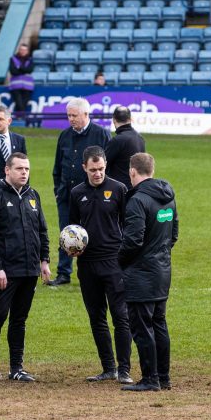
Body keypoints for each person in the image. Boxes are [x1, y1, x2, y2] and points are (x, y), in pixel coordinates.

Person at [0, 151, 52, 382]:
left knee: (19, 320)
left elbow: (42, 230)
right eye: (19, 169)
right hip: (5, 273)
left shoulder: (33, 195)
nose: (24, 173)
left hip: (29, 271)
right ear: (7, 170)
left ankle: (16, 368)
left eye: (27, 169)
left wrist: (44, 260)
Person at [68, 146, 134, 384]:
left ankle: (124, 369)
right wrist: (70, 248)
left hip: (113, 262)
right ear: (84, 167)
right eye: (93, 169)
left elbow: (128, 224)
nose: (98, 173)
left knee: (121, 316)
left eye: (101, 169)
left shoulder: (118, 189)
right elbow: (72, 227)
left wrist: (126, 255)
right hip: (87, 264)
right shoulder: (76, 192)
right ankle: (108, 368)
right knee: (96, 317)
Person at [119, 152, 177, 392]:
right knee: (159, 324)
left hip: (142, 274)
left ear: (132, 171)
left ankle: (150, 379)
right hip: (162, 271)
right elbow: (173, 235)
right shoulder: (168, 198)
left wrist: (120, 260)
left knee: (142, 328)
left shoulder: (137, 200)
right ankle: (163, 377)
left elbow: (133, 240)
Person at [50, 98, 111, 286]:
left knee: (94, 231)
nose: (71, 119)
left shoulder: (102, 135)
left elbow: (109, 166)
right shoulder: (64, 135)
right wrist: (57, 189)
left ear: (86, 114)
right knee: (66, 232)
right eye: (68, 115)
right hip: (66, 194)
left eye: (74, 115)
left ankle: (95, 270)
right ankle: (63, 273)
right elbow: (58, 165)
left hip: (93, 195)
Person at [104, 106, 145, 187]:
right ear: (130, 119)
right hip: (137, 186)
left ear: (114, 120)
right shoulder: (140, 138)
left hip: (119, 189)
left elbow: (103, 164)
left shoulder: (117, 140)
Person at [6, 42, 35, 118]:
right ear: (19, 50)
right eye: (21, 50)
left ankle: (19, 119)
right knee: (19, 103)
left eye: (25, 50)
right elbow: (13, 71)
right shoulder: (13, 59)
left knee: (24, 103)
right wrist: (24, 69)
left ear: (27, 51)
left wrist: (19, 67)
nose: (23, 51)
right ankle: (22, 118)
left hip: (28, 86)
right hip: (15, 86)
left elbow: (30, 70)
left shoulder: (30, 59)